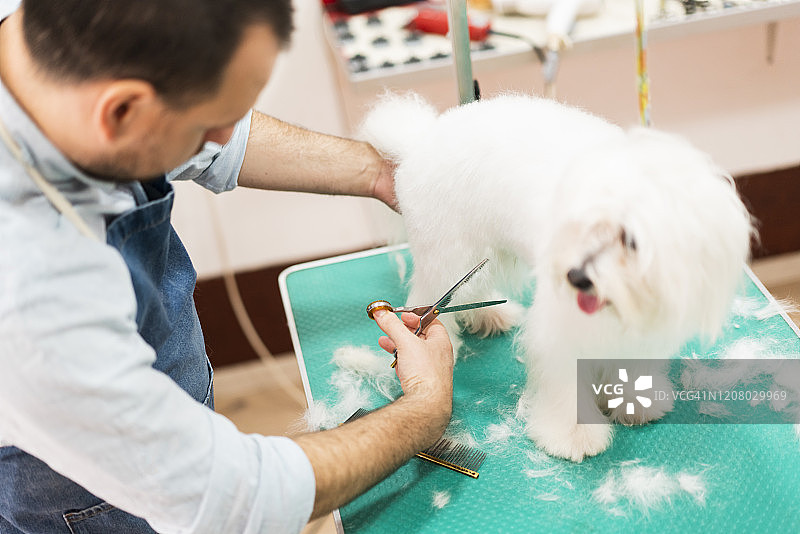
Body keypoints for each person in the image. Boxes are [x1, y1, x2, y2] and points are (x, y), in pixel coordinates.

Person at [0, 1, 454, 533]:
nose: (223, 135)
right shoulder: (33, 286)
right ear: (122, 112)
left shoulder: (48, 51)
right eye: (207, 126)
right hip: (86, 496)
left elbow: (201, 118)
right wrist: (425, 408)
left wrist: (381, 172)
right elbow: (228, 496)